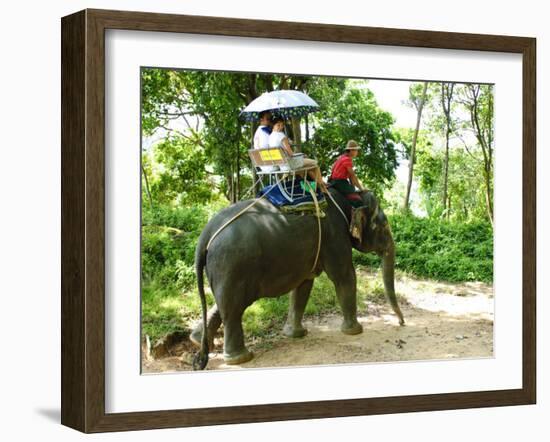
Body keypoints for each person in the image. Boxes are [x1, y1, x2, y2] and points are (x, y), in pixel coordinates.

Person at [268, 117, 328, 193]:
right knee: (315, 164)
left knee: (307, 168)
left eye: (282, 125)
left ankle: (310, 188)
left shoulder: (270, 137)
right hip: (290, 164)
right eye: (278, 125)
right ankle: (322, 187)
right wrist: (302, 155)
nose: (281, 127)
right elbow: (291, 154)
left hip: (281, 166)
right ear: (273, 125)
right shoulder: (281, 136)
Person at [328, 140, 368, 206]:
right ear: (351, 150)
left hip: (332, 182)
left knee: (352, 190)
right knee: (357, 201)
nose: (357, 152)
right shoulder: (347, 159)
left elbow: (350, 177)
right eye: (356, 150)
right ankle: (355, 214)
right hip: (340, 183)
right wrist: (362, 189)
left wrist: (353, 187)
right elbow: (353, 176)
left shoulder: (341, 158)